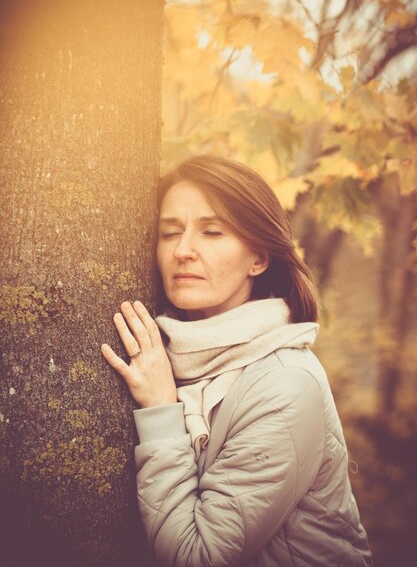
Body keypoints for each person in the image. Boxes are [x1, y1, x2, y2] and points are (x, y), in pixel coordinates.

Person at [101, 154, 373, 567]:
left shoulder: (285, 387)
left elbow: (200, 557)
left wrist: (161, 410)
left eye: (212, 232)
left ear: (259, 258)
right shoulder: (167, 355)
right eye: (170, 232)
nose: (183, 250)